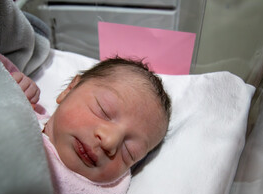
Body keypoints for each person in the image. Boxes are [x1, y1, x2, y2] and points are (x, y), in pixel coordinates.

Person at [12, 57, 171, 183]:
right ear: (69, 90)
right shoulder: (22, 108)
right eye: (103, 110)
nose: (109, 141)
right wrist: (7, 91)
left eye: (129, 151)